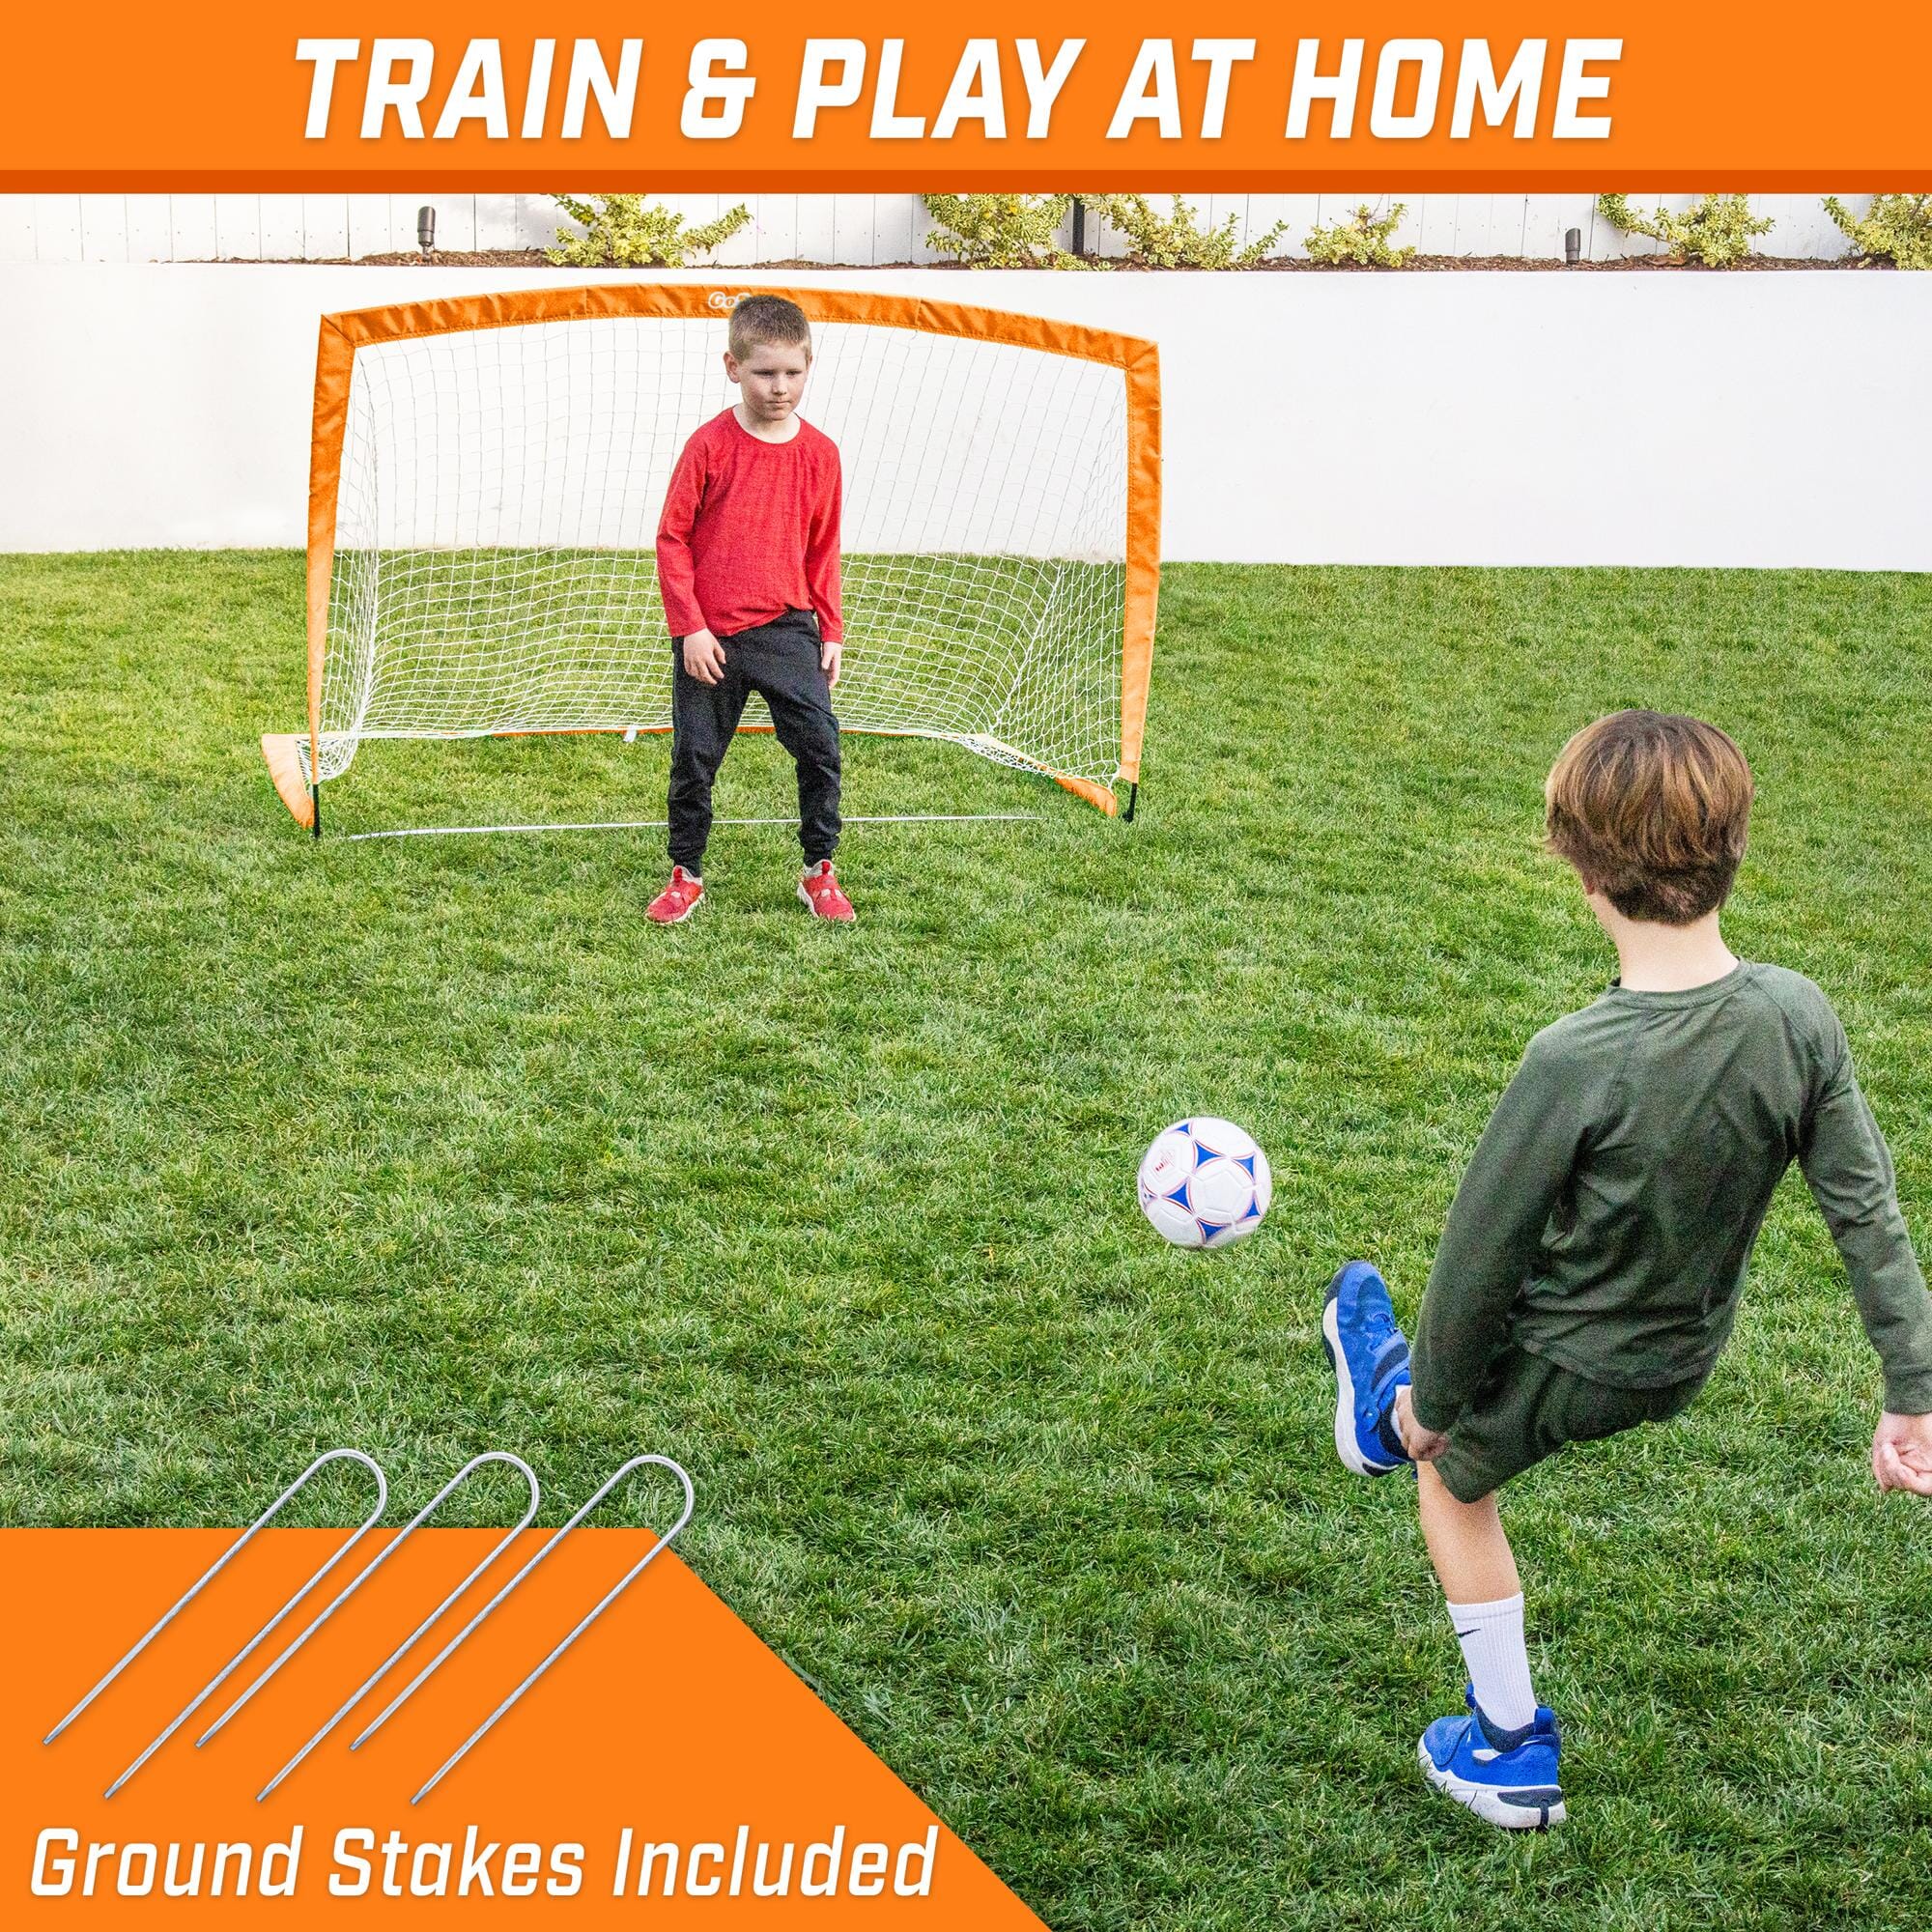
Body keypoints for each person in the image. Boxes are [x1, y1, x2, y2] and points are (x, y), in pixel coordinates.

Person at [1321, 709, 1932, 1831]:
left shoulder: (1572, 1059)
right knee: (1428, 1391)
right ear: (1734, 845)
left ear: (1578, 866)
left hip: (1567, 1358)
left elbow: (1475, 1263)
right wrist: (1913, 1393)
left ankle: (1503, 1746)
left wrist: (1438, 1410)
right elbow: (1866, 1215)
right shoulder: (1796, 1014)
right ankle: (1383, 1393)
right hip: (1679, 1358)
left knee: (1447, 1478)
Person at [646, 293, 854, 924]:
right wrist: (690, 628)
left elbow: (823, 547)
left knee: (821, 745)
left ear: (808, 365)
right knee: (694, 758)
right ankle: (687, 873)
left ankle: (819, 870)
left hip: (788, 628)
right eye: (765, 372)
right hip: (712, 636)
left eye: (793, 372)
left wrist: (832, 627)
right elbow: (672, 539)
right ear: (733, 367)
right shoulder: (709, 446)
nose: (780, 386)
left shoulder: (821, 455)